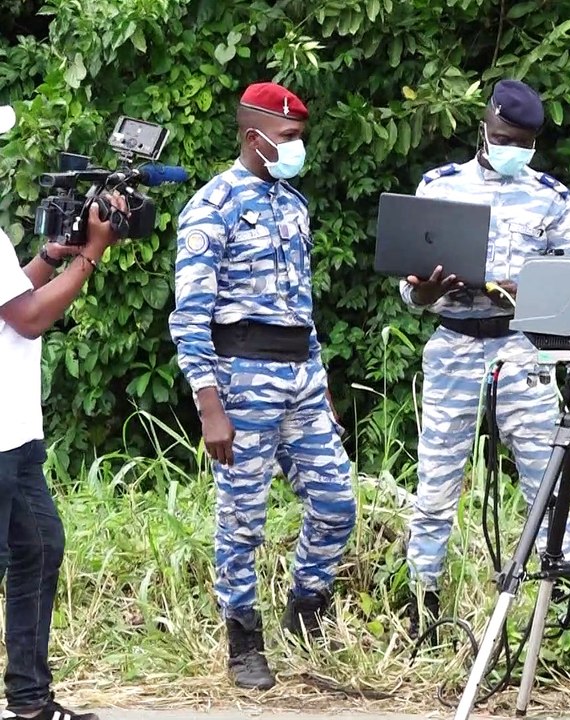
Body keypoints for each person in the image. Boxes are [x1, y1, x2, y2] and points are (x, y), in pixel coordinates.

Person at [167, 82, 356, 691]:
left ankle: (307, 610)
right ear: (254, 137)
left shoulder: (294, 205)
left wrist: (319, 374)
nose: (298, 147)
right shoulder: (210, 207)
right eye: (289, 138)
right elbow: (189, 317)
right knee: (242, 519)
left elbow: (302, 303)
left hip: (300, 374)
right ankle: (243, 638)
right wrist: (208, 404)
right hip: (240, 379)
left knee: (335, 504)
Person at [398, 78, 570, 634]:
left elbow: (569, 287)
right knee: (436, 481)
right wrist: (425, 291)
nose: (511, 149)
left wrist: (527, 292)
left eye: (522, 143)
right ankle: (422, 603)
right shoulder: (440, 186)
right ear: (485, 126)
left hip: (522, 350)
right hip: (454, 342)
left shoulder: (551, 198)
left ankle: (557, 606)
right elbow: (409, 292)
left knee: (546, 480)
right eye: (503, 137)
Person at [0, 102, 128, 720]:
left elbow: (11, 293)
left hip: (14, 435)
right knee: (25, 553)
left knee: (41, 547)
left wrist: (51, 255)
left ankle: (28, 701)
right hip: (0, 436)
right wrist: (90, 254)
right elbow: (27, 317)